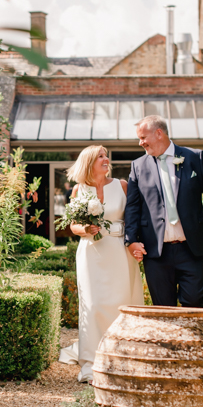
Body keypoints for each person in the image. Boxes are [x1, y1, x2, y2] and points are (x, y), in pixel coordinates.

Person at [124, 115, 203, 308]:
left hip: (192, 249)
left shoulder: (195, 158)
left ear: (159, 133)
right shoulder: (138, 166)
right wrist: (131, 240)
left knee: (193, 303)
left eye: (143, 137)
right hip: (156, 252)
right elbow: (133, 207)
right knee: (163, 309)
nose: (140, 143)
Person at [58, 145, 144, 383]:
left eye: (106, 156)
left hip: (119, 251)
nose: (106, 159)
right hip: (91, 252)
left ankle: (123, 358)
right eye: (100, 156)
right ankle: (91, 362)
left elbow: (134, 219)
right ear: (89, 162)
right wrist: (85, 229)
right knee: (93, 305)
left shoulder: (122, 185)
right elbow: (73, 225)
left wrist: (136, 244)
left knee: (121, 303)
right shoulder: (79, 189)